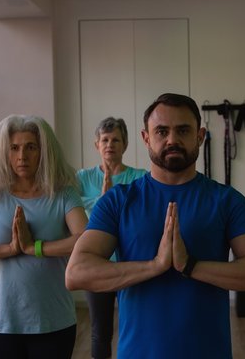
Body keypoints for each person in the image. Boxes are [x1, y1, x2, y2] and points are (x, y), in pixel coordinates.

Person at [65, 93, 245, 359]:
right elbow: (76, 273)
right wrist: (155, 265)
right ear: (146, 138)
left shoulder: (226, 200)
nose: (172, 140)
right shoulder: (118, 201)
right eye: (161, 131)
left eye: (182, 130)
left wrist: (190, 266)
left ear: (200, 136)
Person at [0, 115, 88, 359]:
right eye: (14, 148)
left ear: (44, 151)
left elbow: (85, 239)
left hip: (53, 319)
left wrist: (36, 247)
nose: (22, 155)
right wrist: (10, 249)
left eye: (30, 147)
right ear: (5, 152)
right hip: (2, 320)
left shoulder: (63, 194)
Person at [77, 117, 147, 359]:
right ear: (97, 144)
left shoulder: (140, 177)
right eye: (105, 140)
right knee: (100, 332)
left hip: (131, 263)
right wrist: (105, 200)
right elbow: (76, 217)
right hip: (97, 264)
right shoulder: (82, 179)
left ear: (125, 144)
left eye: (116, 139)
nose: (110, 144)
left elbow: (143, 216)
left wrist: (103, 203)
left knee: (138, 328)